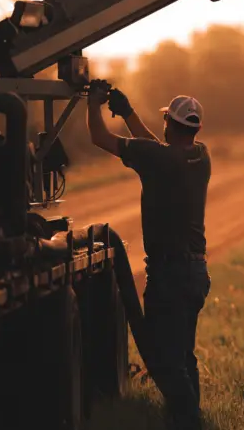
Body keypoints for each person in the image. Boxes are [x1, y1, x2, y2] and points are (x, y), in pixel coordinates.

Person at [86, 79, 212, 430]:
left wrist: (92, 103)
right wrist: (127, 113)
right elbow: (158, 148)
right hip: (196, 274)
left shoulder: (158, 158)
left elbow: (99, 138)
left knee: (163, 361)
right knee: (183, 357)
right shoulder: (200, 156)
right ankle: (183, 418)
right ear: (196, 128)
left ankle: (189, 421)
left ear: (169, 124)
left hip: (170, 276)